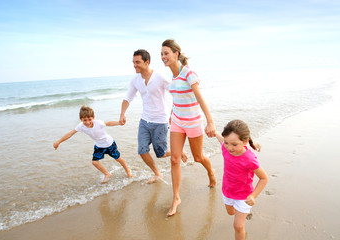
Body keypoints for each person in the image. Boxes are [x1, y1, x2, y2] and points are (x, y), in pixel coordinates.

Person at [161, 39, 217, 216]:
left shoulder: (188, 73)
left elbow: (200, 98)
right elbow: (177, 97)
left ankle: (211, 172)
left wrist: (210, 121)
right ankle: (176, 197)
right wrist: (171, 113)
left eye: (166, 53)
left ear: (176, 54)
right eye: (161, 54)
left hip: (193, 122)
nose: (163, 57)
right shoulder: (173, 75)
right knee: (175, 159)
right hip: (177, 121)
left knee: (198, 157)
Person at [120, 49, 187, 184]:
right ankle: (157, 173)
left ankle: (179, 150)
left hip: (160, 121)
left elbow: (176, 92)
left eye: (138, 62)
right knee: (142, 150)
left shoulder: (159, 76)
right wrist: (122, 114)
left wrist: (173, 111)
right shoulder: (135, 80)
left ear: (147, 62)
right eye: (133, 62)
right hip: (145, 120)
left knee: (161, 153)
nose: (135, 65)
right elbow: (128, 98)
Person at [215, 119, 268, 240]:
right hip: (227, 190)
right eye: (227, 143)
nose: (229, 147)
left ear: (245, 142)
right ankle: (242, 213)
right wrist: (215, 133)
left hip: (244, 196)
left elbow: (264, 178)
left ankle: (243, 216)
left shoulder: (249, 159)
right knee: (230, 212)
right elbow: (222, 141)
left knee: (238, 226)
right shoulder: (226, 148)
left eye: (234, 144)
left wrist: (253, 196)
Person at [53, 105, 132, 183]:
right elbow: (70, 133)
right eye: (84, 120)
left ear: (93, 117)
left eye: (89, 119)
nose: (87, 122)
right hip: (99, 146)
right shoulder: (80, 126)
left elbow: (108, 123)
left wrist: (119, 123)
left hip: (109, 144)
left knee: (118, 159)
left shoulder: (98, 123)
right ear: (81, 119)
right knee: (95, 162)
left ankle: (128, 171)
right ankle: (107, 174)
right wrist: (58, 142)